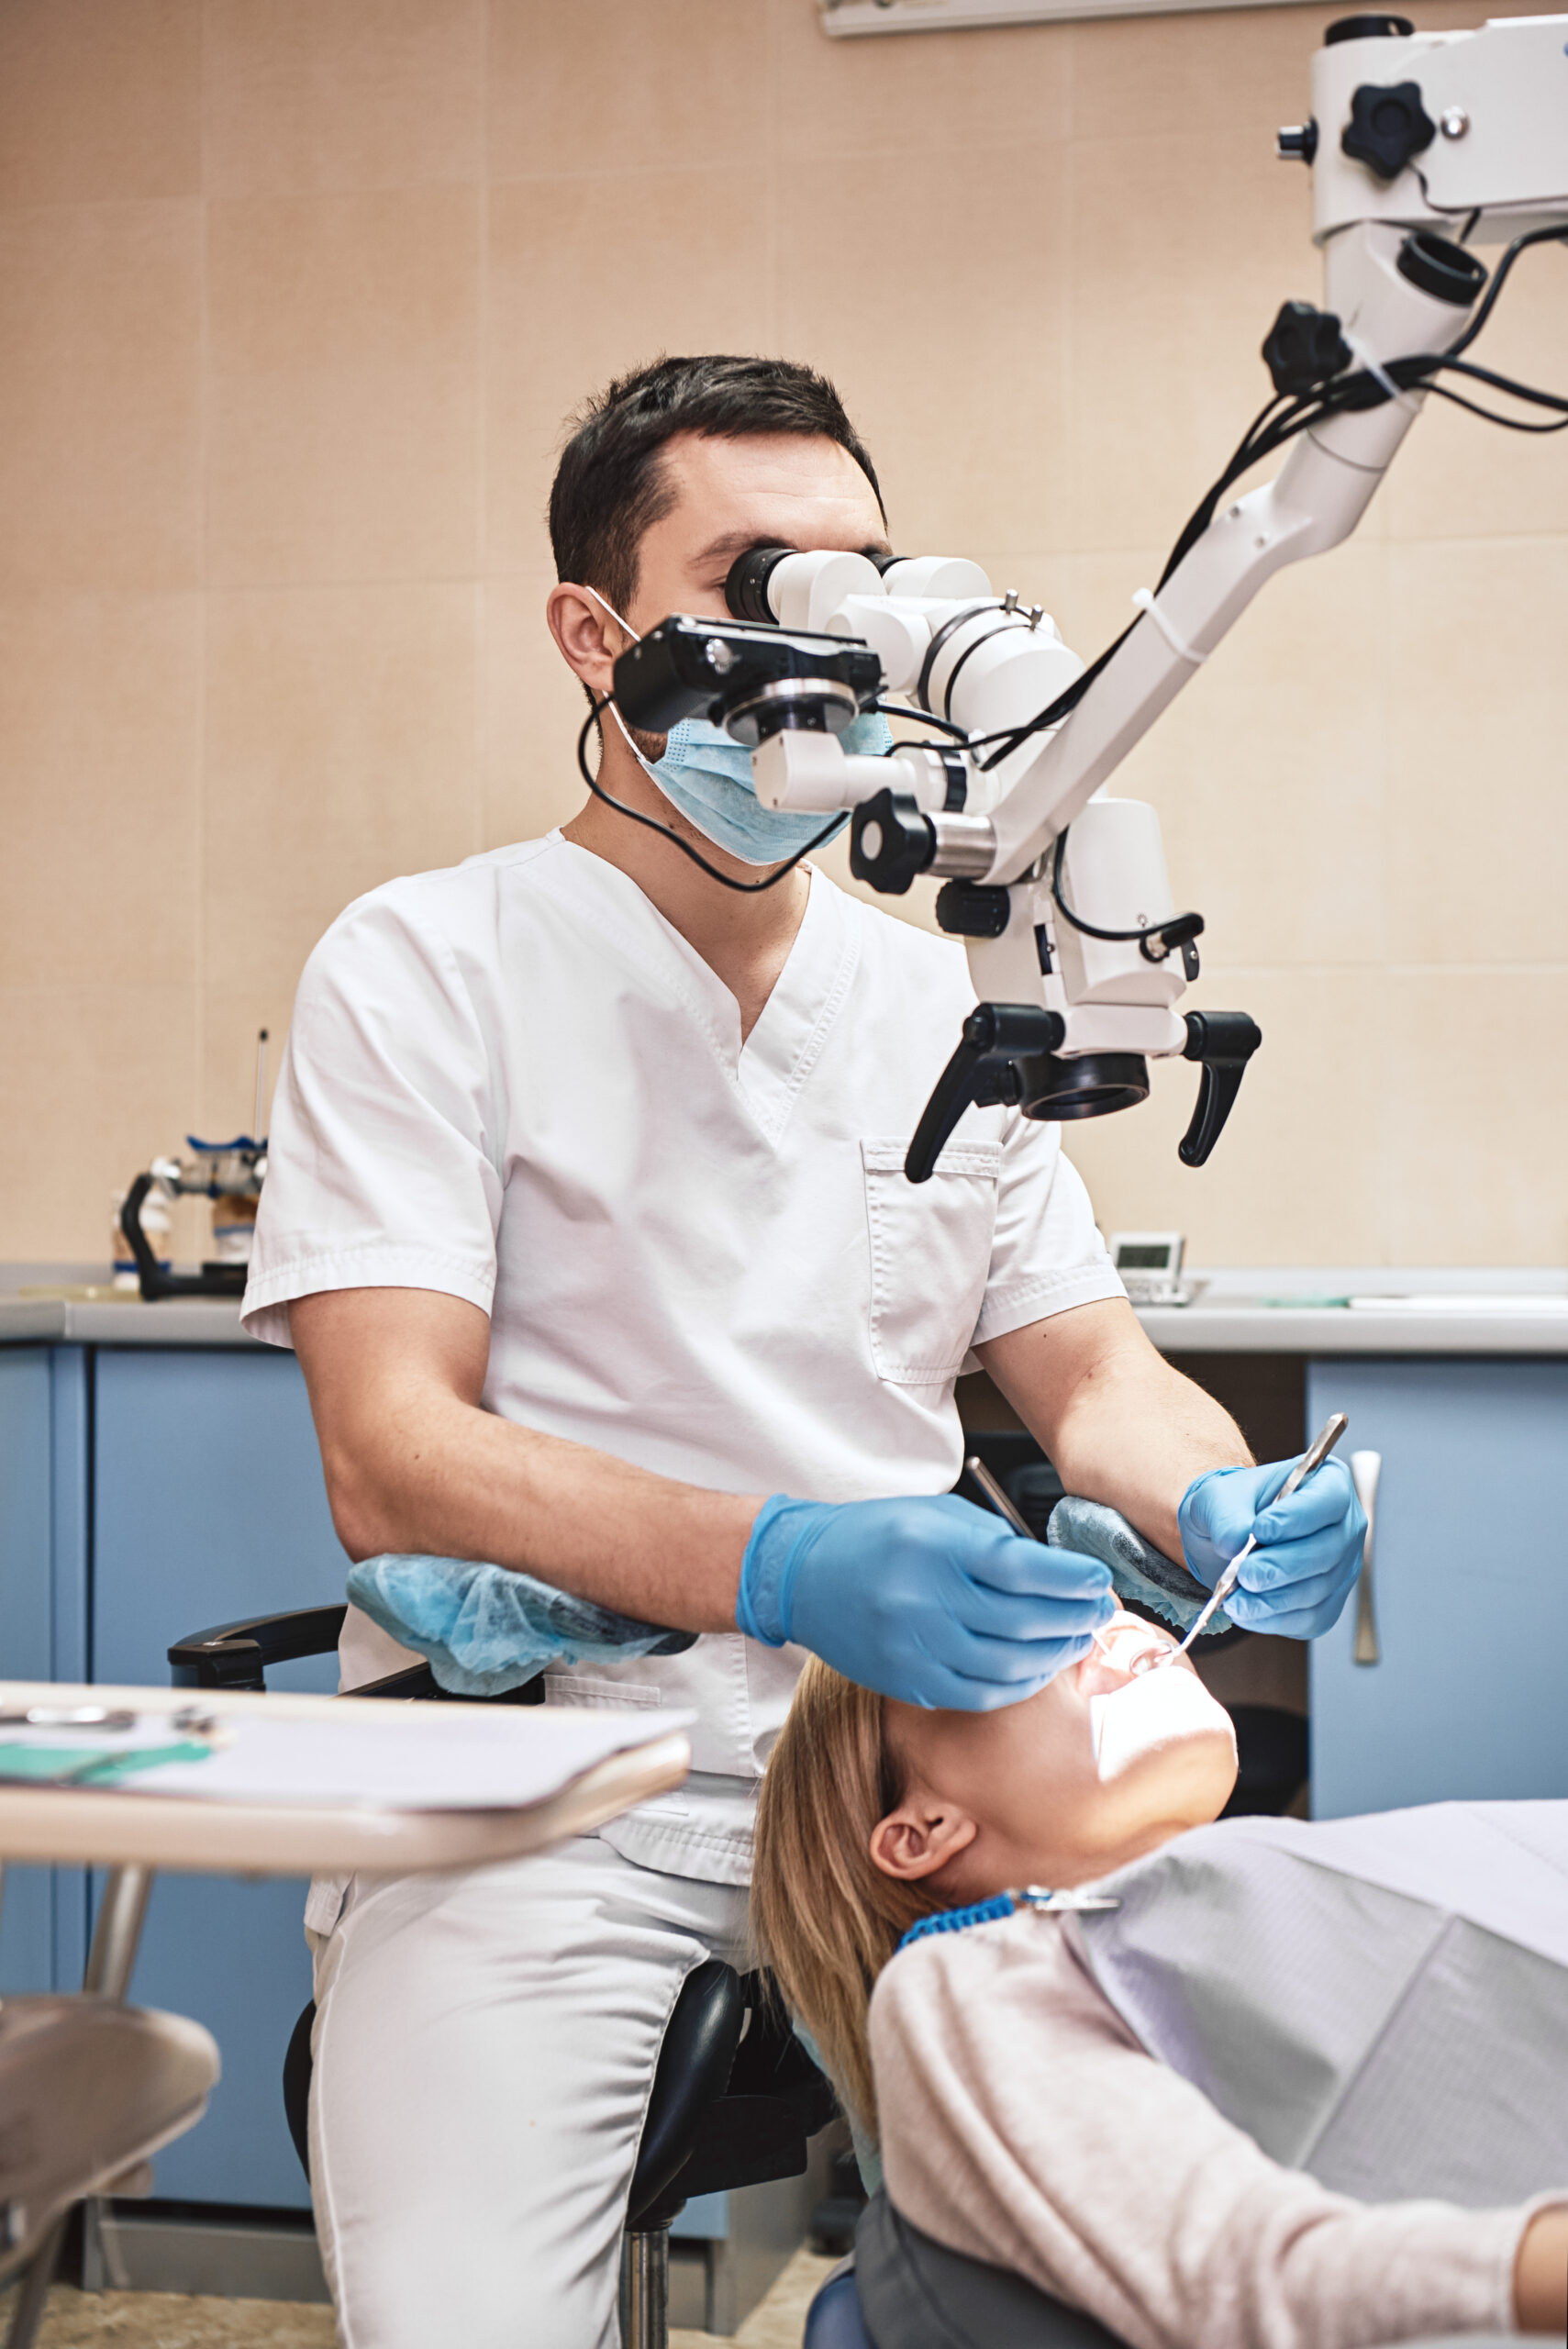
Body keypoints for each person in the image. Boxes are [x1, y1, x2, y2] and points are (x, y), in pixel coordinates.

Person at [241, 353, 1366, 2347]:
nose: (827, 632)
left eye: (860, 574)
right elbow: (390, 1452)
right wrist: (779, 1557)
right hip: (552, 1794)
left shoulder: (939, 982)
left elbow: (1086, 1376)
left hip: (902, 1779)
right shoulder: (424, 962)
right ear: (596, 632)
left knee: (1201, 2252)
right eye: (756, 570)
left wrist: (1211, 1487)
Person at [751, 1631, 1568, 2348]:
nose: (1108, 1628)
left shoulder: (1269, 1892)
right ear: (922, 1831)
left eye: (1090, 1607)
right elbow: (1251, 2281)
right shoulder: (974, 1976)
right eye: (1015, 1650)